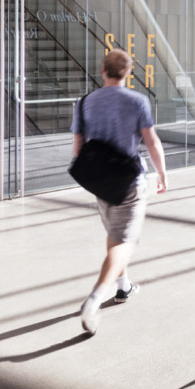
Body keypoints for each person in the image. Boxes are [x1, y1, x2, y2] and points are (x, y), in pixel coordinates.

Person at [72, 49, 168, 336]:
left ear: (103, 70)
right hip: (129, 181)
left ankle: (123, 287)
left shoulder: (85, 102)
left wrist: (90, 178)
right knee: (125, 241)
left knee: (115, 237)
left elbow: (79, 145)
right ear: (128, 73)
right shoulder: (137, 101)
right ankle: (96, 296)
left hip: (100, 182)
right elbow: (151, 142)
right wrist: (162, 173)